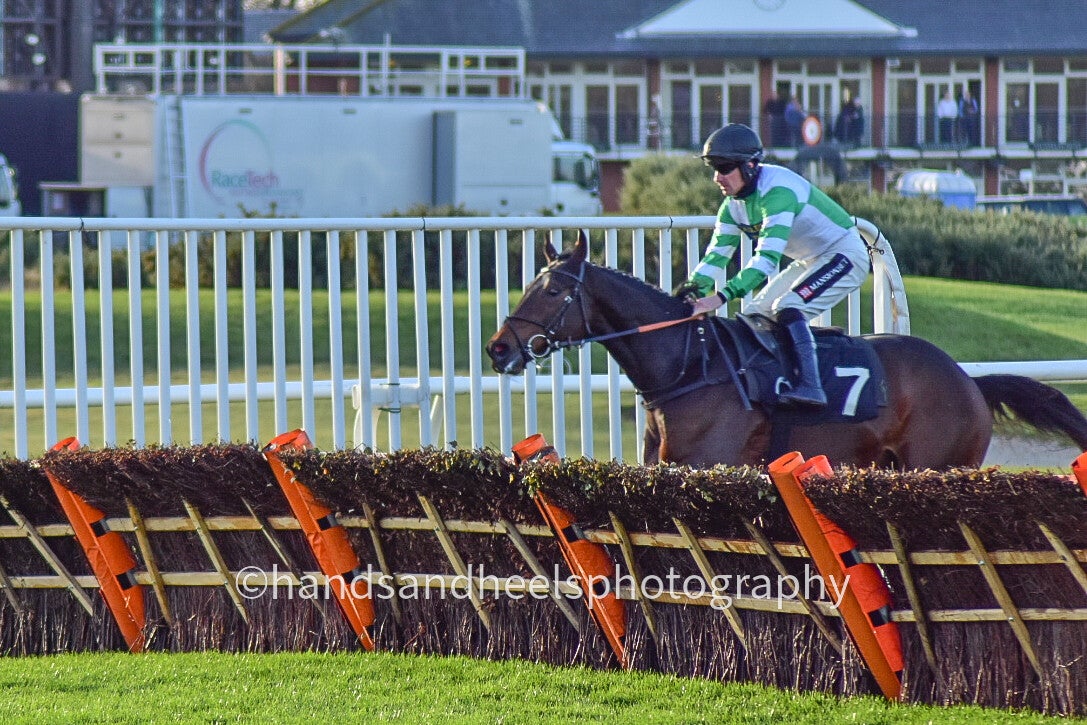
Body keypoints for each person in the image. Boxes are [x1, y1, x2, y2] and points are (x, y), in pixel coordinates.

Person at [675, 123, 870, 407]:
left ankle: (812, 386)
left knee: (789, 306)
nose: (718, 177)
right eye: (714, 169)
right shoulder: (731, 206)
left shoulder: (778, 192)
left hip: (845, 255)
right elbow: (716, 255)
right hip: (811, 260)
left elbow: (766, 260)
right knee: (754, 315)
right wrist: (692, 291)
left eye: (725, 168)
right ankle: (775, 383)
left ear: (750, 166)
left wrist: (721, 297)